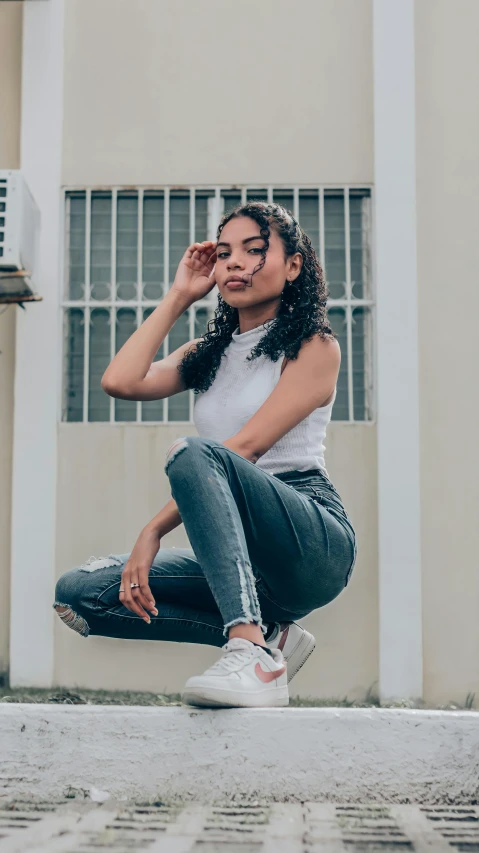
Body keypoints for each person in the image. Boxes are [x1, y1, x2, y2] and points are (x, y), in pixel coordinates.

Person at [54, 201, 357, 709]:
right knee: (82, 593)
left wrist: (152, 530)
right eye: (224, 253)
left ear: (294, 265)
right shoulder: (208, 355)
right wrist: (179, 295)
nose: (235, 263)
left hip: (308, 539)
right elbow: (120, 381)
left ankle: (247, 650)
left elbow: (245, 450)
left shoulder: (313, 347)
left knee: (193, 453)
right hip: (237, 553)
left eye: (254, 251)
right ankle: (271, 639)